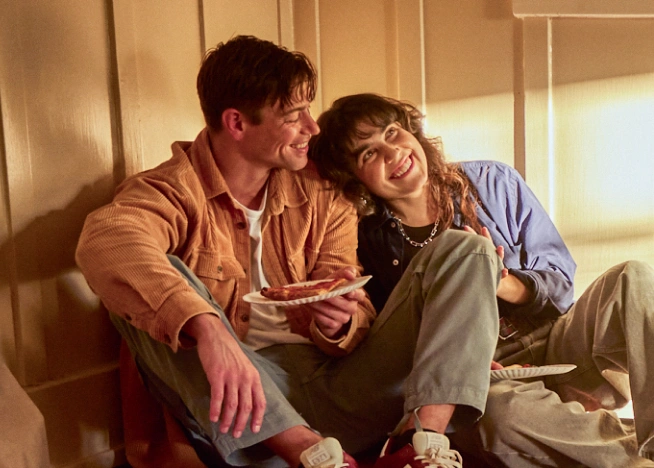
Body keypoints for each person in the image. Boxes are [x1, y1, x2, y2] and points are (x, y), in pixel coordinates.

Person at [76, 36, 506, 468]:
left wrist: (341, 322)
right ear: (237, 123)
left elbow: (355, 312)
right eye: (293, 115)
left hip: (338, 387)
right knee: (152, 290)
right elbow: (106, 239)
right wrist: (211, 332)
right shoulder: (173, 189)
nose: (312, 128)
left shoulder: (323, 193)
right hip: (244, 411)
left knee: (467, 250)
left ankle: (421, 444)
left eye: (307, 109)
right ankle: (311, 455)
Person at [308, 92, 654, 468]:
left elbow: (560, 283)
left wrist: (502, 284)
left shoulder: (493, 181)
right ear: (355, 178)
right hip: (485, 384)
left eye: (392, 133)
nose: (392, 154)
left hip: (557, 346)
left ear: (411, 132)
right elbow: (393, 346)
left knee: (632, 278)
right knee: (504, 417)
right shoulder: (366, 239)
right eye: (368, 154)